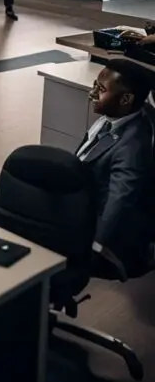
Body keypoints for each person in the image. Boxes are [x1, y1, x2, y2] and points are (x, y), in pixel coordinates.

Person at [79, 59, 155, 277]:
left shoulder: (132, 148)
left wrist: (94, 247)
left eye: (101, 89)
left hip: (94, 227)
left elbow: (119, 201)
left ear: (126, 99)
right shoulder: (112, 119)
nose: (92, 93)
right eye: (95, 85)